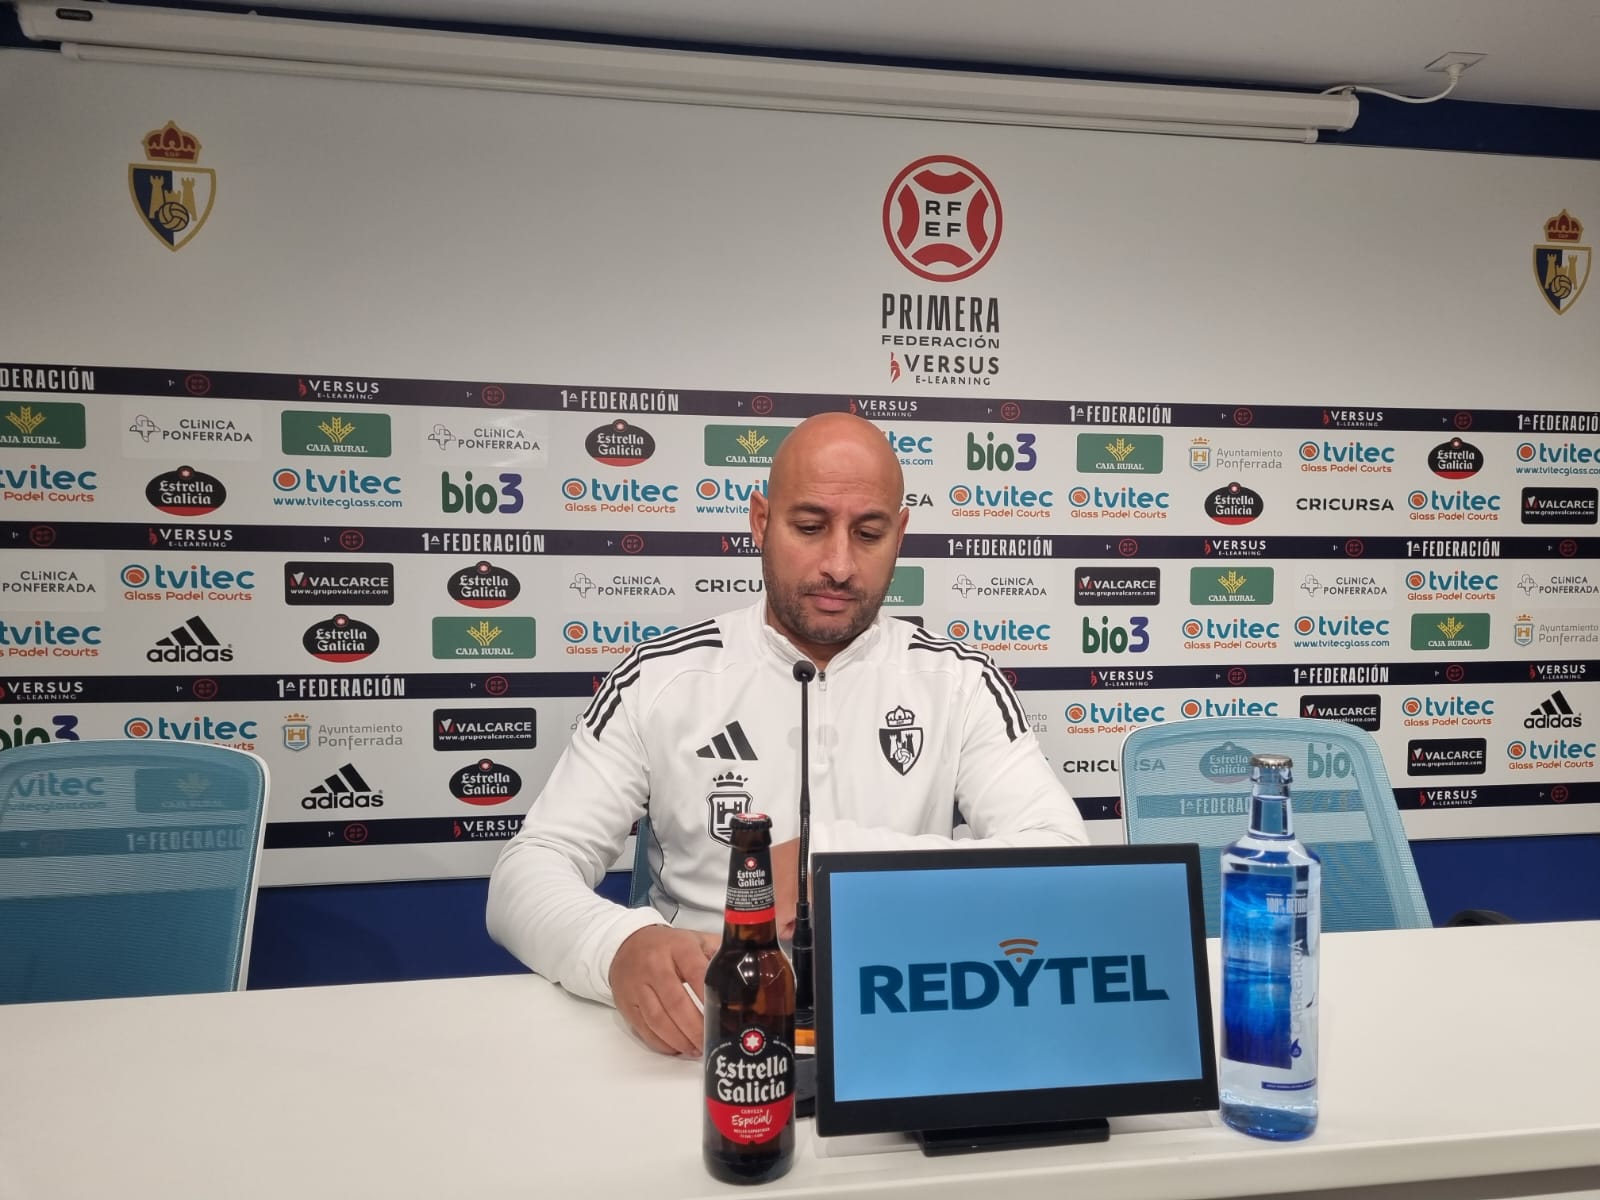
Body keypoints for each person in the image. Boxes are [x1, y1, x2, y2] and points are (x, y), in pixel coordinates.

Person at [487, 412, 1086, 1056]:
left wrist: (822, 863)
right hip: (699, 1034)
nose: (839, 565)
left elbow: (1061, 860)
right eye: (808, 527)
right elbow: (527, 870)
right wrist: (616, 946)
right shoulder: (661, 679)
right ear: (760, 522)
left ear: (901, 534)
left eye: (869, 533)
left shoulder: (959, 681)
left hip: (908, 1022)